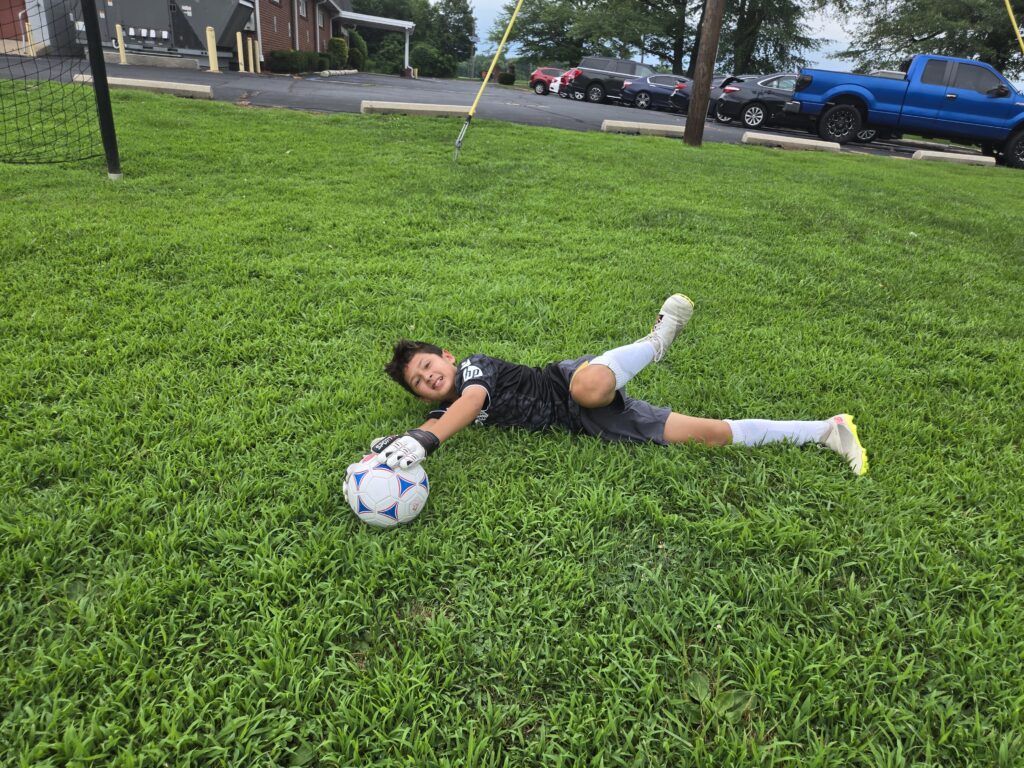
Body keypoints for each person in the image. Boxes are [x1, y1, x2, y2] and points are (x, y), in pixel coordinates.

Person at [370, 294, 867, 475]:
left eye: (429, 366)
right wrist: (387, 450)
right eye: (421, 383)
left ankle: (655, 342)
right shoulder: (441, 412)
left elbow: (469, 403)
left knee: (588, 387)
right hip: (589, 424)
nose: (430, 378)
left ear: (447, 356)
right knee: (708, 435)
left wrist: (425, 440)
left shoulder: (475, 370)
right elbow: (438, 420)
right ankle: (826, 430)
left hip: (569, 382)